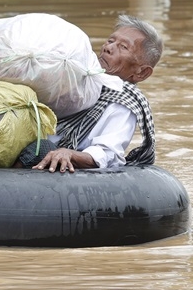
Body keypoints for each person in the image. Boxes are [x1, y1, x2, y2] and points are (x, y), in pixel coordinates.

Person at [19, 14, 163, 173]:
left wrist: (70, 154)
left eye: (123, 47)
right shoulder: (79, 76)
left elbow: (107, 153)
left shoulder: (124, 103)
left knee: (41, 149)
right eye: (110, 41)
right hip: (33, 144)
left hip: (60, 163)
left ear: (141, 73)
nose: (108, 48)